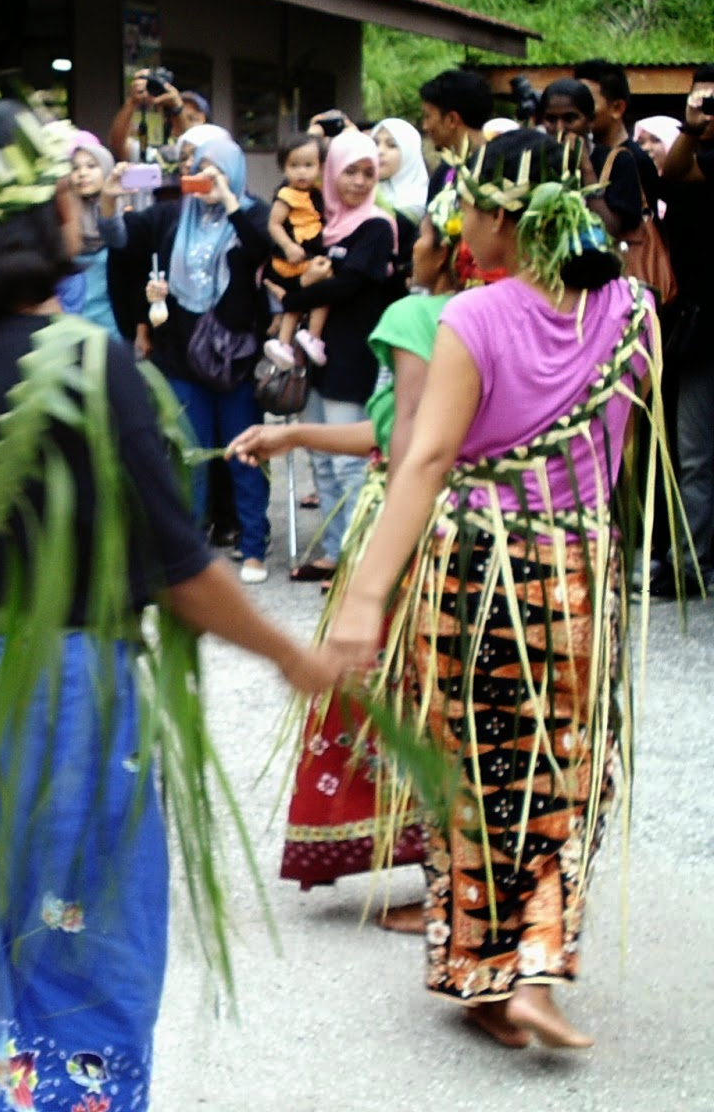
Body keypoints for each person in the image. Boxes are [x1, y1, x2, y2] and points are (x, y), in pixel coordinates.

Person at [0, 100, 338, 1109]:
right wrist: (291, 656)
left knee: (8, 933)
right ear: (45, 222)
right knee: (88, 948)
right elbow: (183, 575)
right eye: (75, 191)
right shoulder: (88, 362)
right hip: (73, 696)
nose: (91, 204)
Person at [322, 128, 670, 1050]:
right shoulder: (634, 310)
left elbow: (426, 458)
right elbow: (621, 454)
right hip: (582, 577)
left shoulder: (468, 321)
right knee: (565, 769)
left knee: (476, 774)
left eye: (467, 209)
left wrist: (363, 599)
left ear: (499, 220)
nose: (460, 226)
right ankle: (538, 969)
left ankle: (486, 972)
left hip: (478, 576)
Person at [231, 186, 472, 910]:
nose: (410, 247)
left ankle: (442, 877)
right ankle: (459, 873)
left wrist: (370, 578)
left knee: (400, 697)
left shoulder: (415, 315)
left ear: (454, 242)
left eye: (424, 232)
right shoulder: (509, 311)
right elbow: (400, 433)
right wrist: (296, 433)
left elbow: (404, 452)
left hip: (408, 524)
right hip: (472, 527)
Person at [117, 130, 273, 584]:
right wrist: (108, 196)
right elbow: (118, 239)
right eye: (201, 168)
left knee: (243, 455)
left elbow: (261, 250)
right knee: (189, 455)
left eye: (218, 169)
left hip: (235, 359)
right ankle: (188, 549)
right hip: (181, 356)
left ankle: (253, 548)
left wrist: (228, 199)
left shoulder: (253, 213)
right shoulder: (171, 217)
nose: (205, 177)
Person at [269, 131, 397, 582]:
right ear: (331, 174)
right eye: (351, 172)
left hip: (352, 357)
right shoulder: (327, 225)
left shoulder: (378, 227)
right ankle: (332, 550)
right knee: (320, 460)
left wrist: (295, 298)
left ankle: (359, 561)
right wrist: (298, 291)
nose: (360, 182)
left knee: (349, 463)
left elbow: (350, 284)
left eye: (369, 173)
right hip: (318, 356)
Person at [657, 66, 714, 596]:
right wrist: (693, 124)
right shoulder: (695, 155)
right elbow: (675, 172)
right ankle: (688, 565)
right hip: (700, 329)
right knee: (694, 453)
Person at [537, 79, 645, 240]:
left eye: (570, 119)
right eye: (551, 120)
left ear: (590, 121)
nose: (559, 129)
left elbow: (609, 230)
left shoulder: (618, 161)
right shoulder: (535, 162)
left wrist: (586, 168)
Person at [265, 134, 328, 369]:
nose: (302, 172)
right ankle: (313, 335)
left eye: (309, 165)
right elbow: (273, 224)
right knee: (325, 285)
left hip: (306, 255)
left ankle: (284, 343)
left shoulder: (317, 193)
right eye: (294, 166)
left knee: (300, 300)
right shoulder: (286, 195)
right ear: (284, 168)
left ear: (321, 167)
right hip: (292, 258)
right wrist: (288, 246)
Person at [59, 131, 129, 339]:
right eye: (75, 168)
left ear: (106, 169)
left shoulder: (121, 210)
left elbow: (118, 239)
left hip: (113, 324)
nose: (82, 174)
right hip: (71, 324)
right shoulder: (63, 216)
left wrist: (109, 202)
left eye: (91, 166)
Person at [574, 58, 661, 217]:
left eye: (587, 102)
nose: (579, 111)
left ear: (617, 108)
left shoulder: (635, 161)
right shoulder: (583, 156)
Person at [419, 68, 494, 198]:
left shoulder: (496, 171)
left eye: (428, 116)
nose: (425, 126)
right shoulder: (444, 172)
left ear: (452, 119)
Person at [372, 116, 429, 225]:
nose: (379, 151)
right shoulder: (357, 190)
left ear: (409, 153)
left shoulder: (422, 201)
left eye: (392, 145)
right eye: (375, 143)